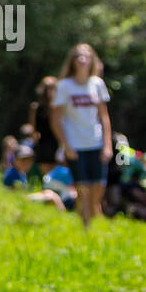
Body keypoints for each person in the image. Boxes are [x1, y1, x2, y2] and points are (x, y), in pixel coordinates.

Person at [51, 43, 112, 228]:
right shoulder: (64, 86)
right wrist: (65, 145)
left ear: (92, 60)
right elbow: (56, 119)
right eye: (78, 56)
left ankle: (91, 219)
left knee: (98, 187)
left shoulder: (97, 84)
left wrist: (107, 144)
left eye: (86, 56)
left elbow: (104, 116)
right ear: (73, 60)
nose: (82, 59)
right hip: (75, 144)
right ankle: (85, 227)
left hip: (96, 142)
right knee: (82, 187)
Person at [28, 76, 60, 180]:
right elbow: (33, 128)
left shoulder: (58, 107)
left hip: (57, 141)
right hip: (43, 143)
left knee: (57, 172)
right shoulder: (36, 107)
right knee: (46, 175)